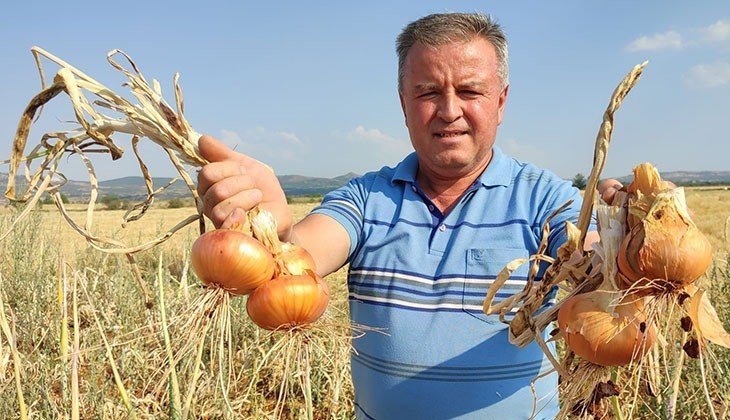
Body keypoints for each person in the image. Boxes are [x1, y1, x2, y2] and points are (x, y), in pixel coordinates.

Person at [197, 12, 603, 419]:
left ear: (500, 101)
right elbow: (301, 255)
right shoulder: (366, 198)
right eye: (427, 92)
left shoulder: (545, 197)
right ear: (403, 103)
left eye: (469, 91)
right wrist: (273, 235)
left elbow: (594, 259)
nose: (449, 110)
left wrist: (629, 248)